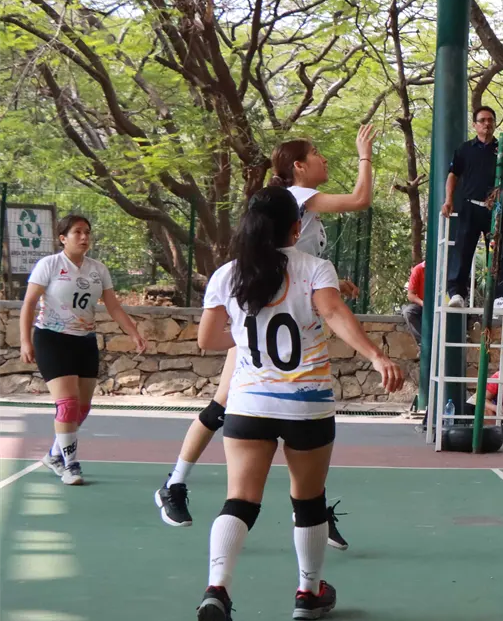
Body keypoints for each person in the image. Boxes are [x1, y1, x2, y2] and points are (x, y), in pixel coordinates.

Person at [156, 127, 377, 547]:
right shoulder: (296, 197)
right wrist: (365, 154)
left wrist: (331, 287)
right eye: (316, 153)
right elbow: (360, 200)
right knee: (225, 406)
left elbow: (297, 266)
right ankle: (175, 484)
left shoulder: (301, 211)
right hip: (262, 313)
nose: (324, 158)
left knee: (232, 407)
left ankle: (307, 507)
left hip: (275, 309)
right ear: (298, 167)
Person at [194, 187, 403, 620]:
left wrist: (246, 336)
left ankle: (217, 588)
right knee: (308, 501)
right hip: (306, 405)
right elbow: (334, 313)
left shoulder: (228, 275)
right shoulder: (314, 268)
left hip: (249, 404)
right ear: (296, 227)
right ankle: (308, 594)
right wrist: (376, 356)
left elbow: (208, 339)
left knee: (240, 499)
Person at [20, 214, 148, 486]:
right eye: (77, 232)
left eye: (87, 232)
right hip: (52, 339)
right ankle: (70, 465)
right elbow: (29, 303)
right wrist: (25, 341)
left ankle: (54, 455)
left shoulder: (97, 269)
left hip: (84, 341)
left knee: (82, 408)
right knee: (67, 404)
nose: (84, 237)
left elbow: (113, 307)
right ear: (63, 238)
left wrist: (134, 332)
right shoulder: (49, 265)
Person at [440, 106, 503, 310]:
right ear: (475, 125)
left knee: (498, 252)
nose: (487, 124)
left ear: (495, 124)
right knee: (462, 250)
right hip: (469, 207)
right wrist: (448, 200)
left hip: (495, 209)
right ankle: (456, 293)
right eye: (482, 120)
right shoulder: (464, 149)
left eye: (490, 120)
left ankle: (499, 296)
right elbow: (453, 175)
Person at [402, 260, 425, 344]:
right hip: (422, 305)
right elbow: (410, 295)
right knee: (408, 312)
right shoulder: (418, 269)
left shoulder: (444, 268)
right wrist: (423, 304)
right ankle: (423, 343)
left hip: (441, 304)